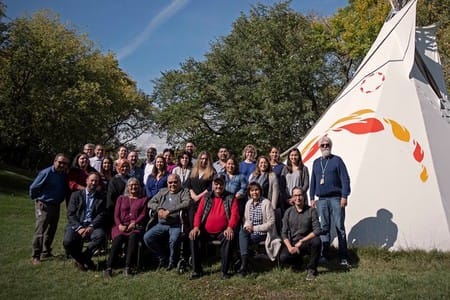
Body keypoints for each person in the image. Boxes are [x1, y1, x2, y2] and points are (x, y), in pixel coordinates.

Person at [310, 135, 351, 266]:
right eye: (323, 145)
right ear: (319, 147)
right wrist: (311, 198)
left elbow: (345, 179)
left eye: (327, 144)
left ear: (330, 146)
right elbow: (313, 181)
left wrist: (344, 196)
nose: (325, 147)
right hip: (321, 200)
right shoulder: (316, 163)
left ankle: (343, 256)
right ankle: (324, 255)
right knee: (324, 228)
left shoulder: (337, 160)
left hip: (336, 198)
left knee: (340, 227)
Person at [188, 175, 239, 280]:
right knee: (193, 236)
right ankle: (196, 270)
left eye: (221, 184)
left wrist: (230, 228)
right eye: (216, 184)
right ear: (212, 185)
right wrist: (196, 227)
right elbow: (199, 213)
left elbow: (235, 215)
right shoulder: (206, 197)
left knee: (228, 237)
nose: (218, 186)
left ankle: (224, 271)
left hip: (223, 231)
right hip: (205, 231)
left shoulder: (230, 197)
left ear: (224, 185)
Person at [143, 174, 191, 270]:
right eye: (170, 182)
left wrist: (169, 211)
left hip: (176, 224)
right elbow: (150, 203)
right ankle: (162, 258)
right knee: (147, 238)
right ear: (167, 183)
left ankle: (172, 262)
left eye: (175, 182)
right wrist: (159, 209)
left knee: (173, 240)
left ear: (179, 182)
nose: (172, 184)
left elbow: (187, 202)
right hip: (161, 224)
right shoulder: (163, 192)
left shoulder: (184, 191)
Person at [29, 153, 70, 265]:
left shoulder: (63, 174)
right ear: (54, 161)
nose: (62, 165)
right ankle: (35, 256)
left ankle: (46, 251)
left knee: (51, 230)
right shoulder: (46, 173)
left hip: (56, 205)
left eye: (64, 163)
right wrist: (36, 199)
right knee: (40, 230)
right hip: (44, 205)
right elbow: (33, 187)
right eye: (60, 162)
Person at [104, 178, 147, 277]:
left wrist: (134, 223)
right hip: (120, 226)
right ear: (127, 187)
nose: (133, 187)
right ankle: (109, 267)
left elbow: (143, 215)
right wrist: (119, 225)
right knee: (118, 239)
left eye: (136, 185)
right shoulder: (121, 198)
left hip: (135, 226)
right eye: (131, 185)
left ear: (139, 187)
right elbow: (116, 215)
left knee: (133, 238)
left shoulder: (143, 200)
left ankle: (128, 267)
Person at [63, 173, 107, 271]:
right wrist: (79, 228)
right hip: (77, 224)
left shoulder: (102, 197)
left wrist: (91, 226)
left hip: (93, 226)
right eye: (92, 180)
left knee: (101, 237)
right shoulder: (76, 195)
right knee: (67, 242)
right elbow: (71, 214)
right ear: (86, 181)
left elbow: (102, 214)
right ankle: (84, 260)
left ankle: (84, 257)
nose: (94, 183)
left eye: (96, 181)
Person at [237, 182, 281, 277]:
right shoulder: (248, 203)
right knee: (242, 233)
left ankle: (244, 264)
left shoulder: (266, 203)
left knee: (242, 240)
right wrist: (247, 227)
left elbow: (271, 223)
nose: (254, 192)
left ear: (260, 191)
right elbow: (246, 219)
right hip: (251, 232)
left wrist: (254, 228)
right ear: (249, 192)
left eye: (256, 190)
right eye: (252, 190)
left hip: (264, 233)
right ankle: (245, 264)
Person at [280, 187, 322, 280]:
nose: (298, 198)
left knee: (317, 242)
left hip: (307, 242)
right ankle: (298, 262)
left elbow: (317, 230)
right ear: (292, 198)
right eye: (295, 195)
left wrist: (302, 241)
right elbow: (284, 233)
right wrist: (290, 247)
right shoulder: (288, 212)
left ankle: (312, 269)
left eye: (300, 195)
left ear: (304, 196)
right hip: (293, 243)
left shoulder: (311, 211)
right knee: (283, 257)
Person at [184, 151, 215, 227]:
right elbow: (187, 184)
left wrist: (199, 196)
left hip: (205, 200)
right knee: (191, 220)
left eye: (206, 159)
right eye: (202, 158)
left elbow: (211, 187)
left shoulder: (212, 172)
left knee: (201, 221)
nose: (204, 161)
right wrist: (193, 195)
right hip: (192, 200)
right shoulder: (193, 170)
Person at [106, 158, 131, 228]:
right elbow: (111, 199)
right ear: (118, 167)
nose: (125, 168)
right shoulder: (114, 181)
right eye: (123, 166)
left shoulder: (130, 179)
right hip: (118, 210)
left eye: (127, 166)